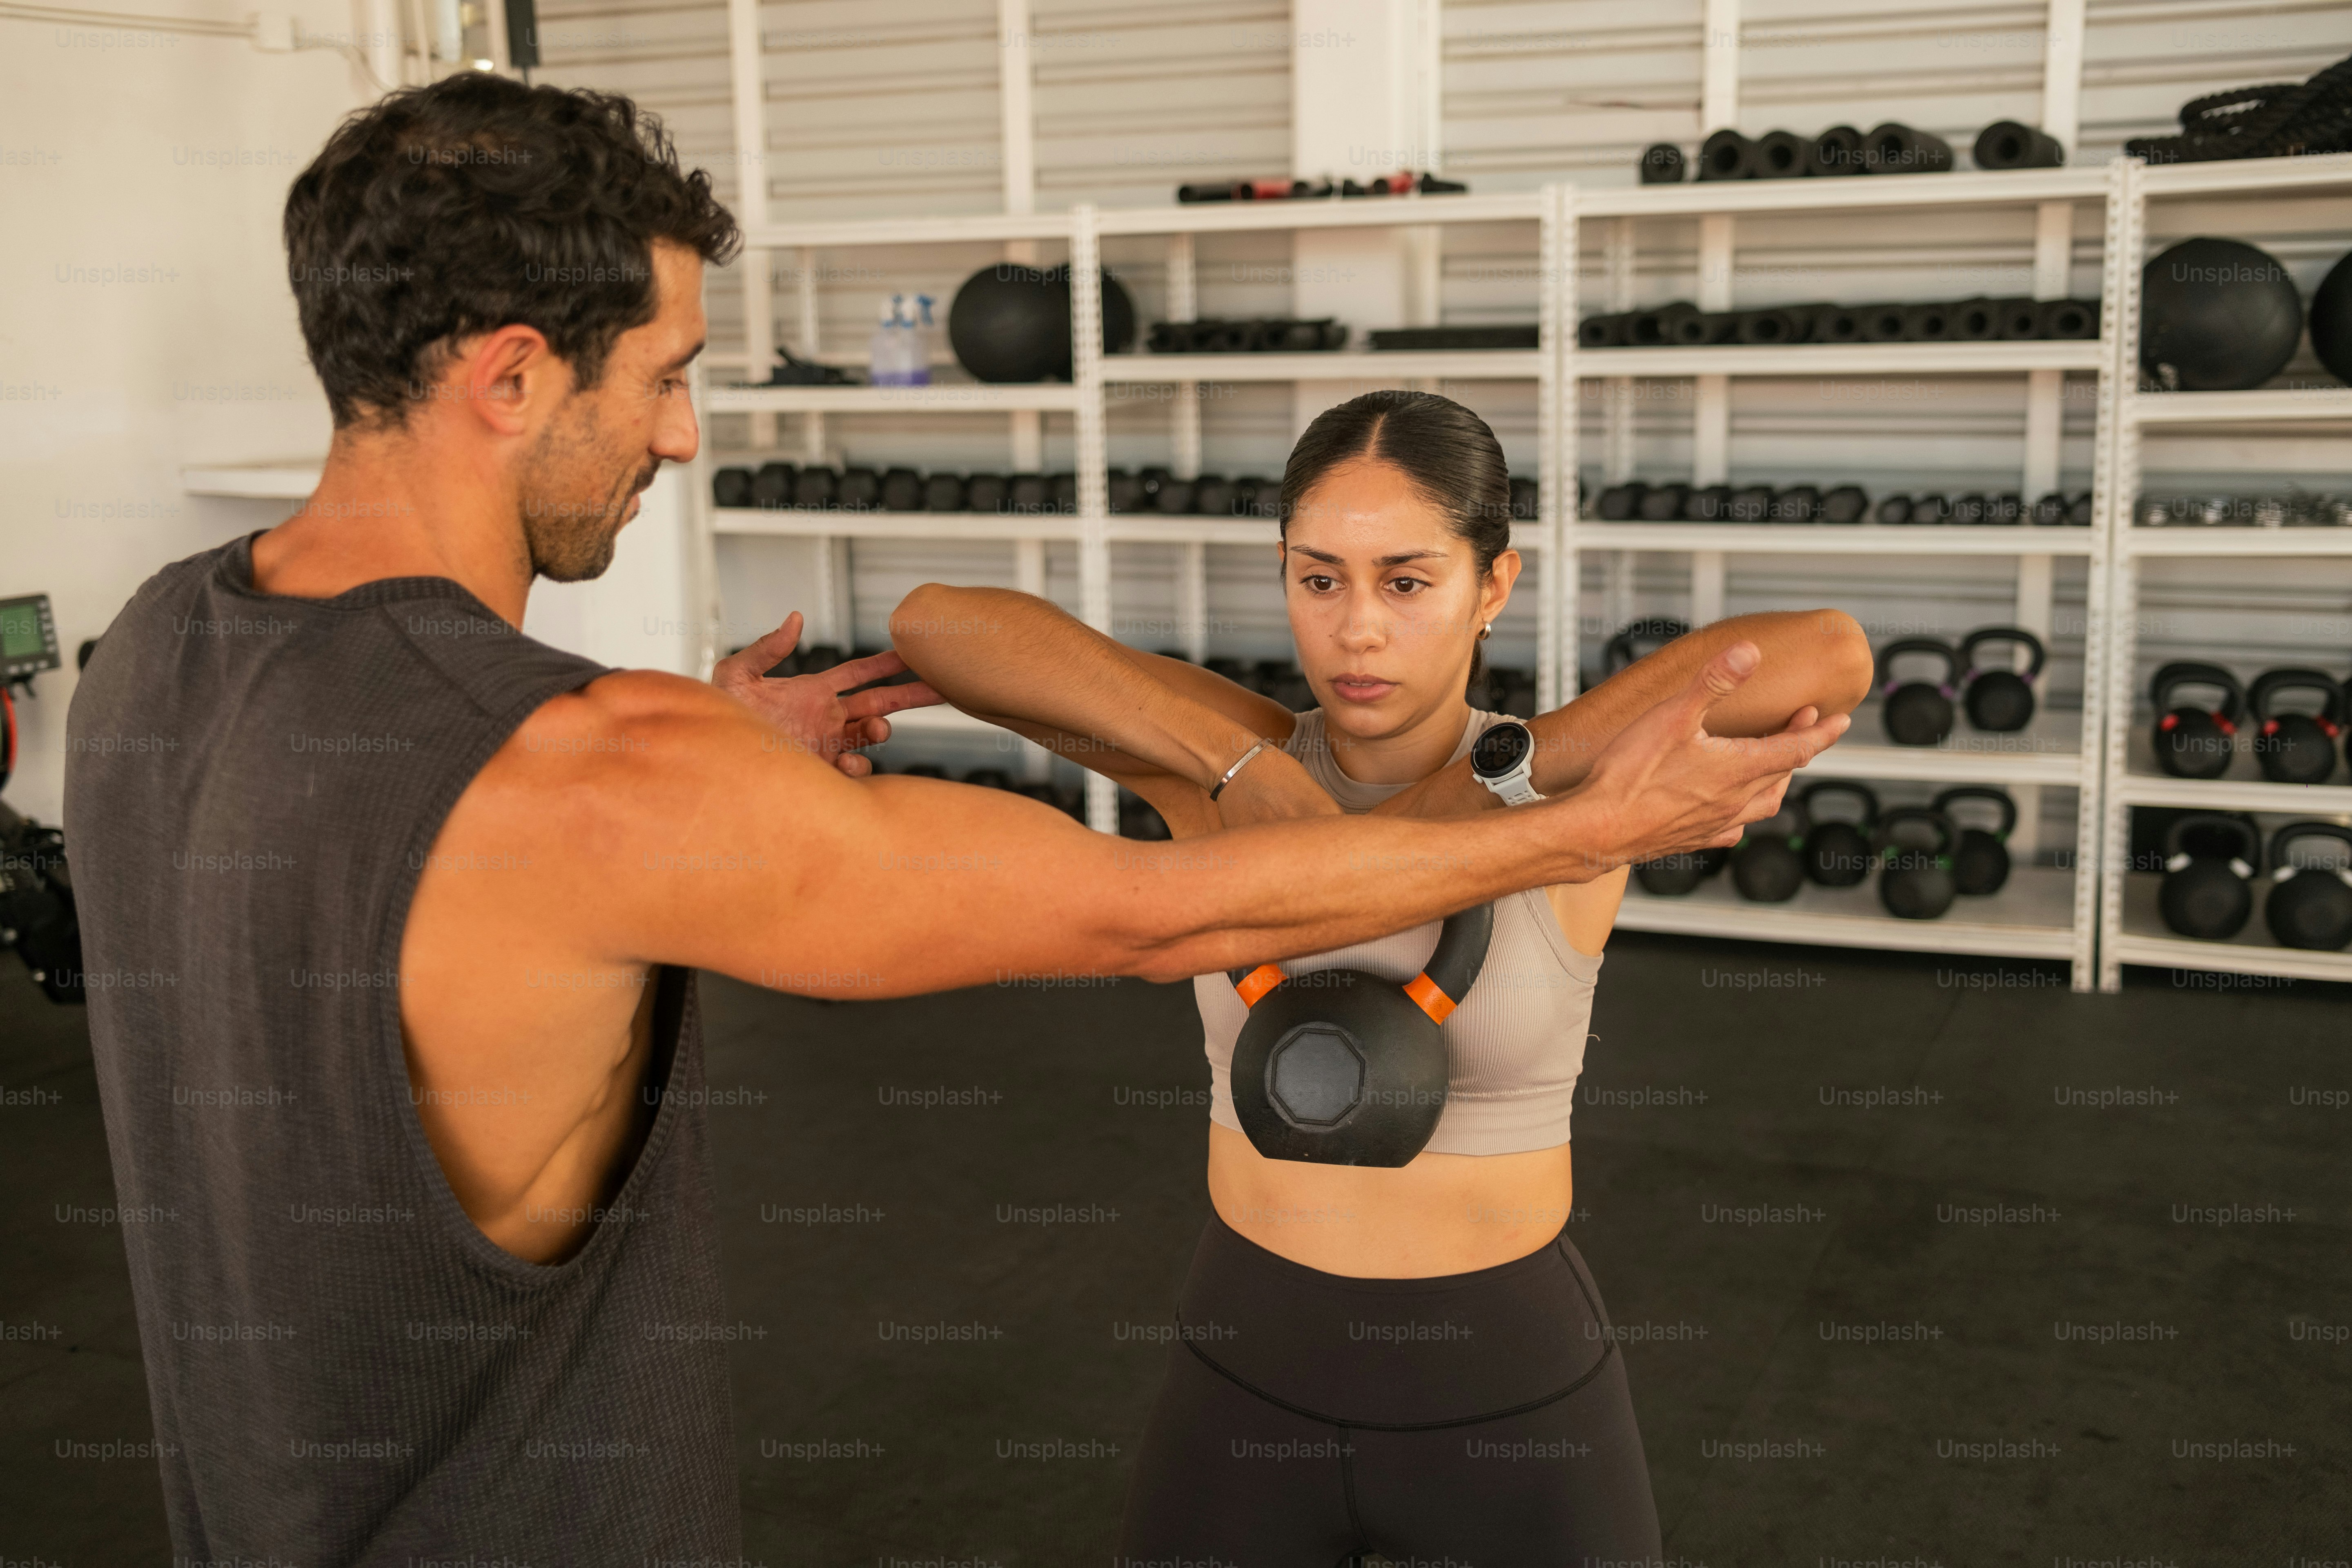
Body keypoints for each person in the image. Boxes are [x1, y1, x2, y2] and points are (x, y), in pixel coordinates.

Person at [60, 79, 1844, 1566]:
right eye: (665, 376)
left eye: (1406, 582)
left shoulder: (151, 648)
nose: (683, 439)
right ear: (513, 376)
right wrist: (1542, 833)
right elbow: (1138, 916)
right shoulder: (589, 776)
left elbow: (413, 847)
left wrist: (699, 742)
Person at [891, 390, 1873, 1561]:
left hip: (1510, 1391)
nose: (1358, 630)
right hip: (1246, 1363)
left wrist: (1486, 791)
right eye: (1322, 580)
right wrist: (1235, 760)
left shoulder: (1577, 790)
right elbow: (938, 625)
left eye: (1407, 582)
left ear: (1492, 587)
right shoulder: (1223, 774)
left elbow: (1833, 652)